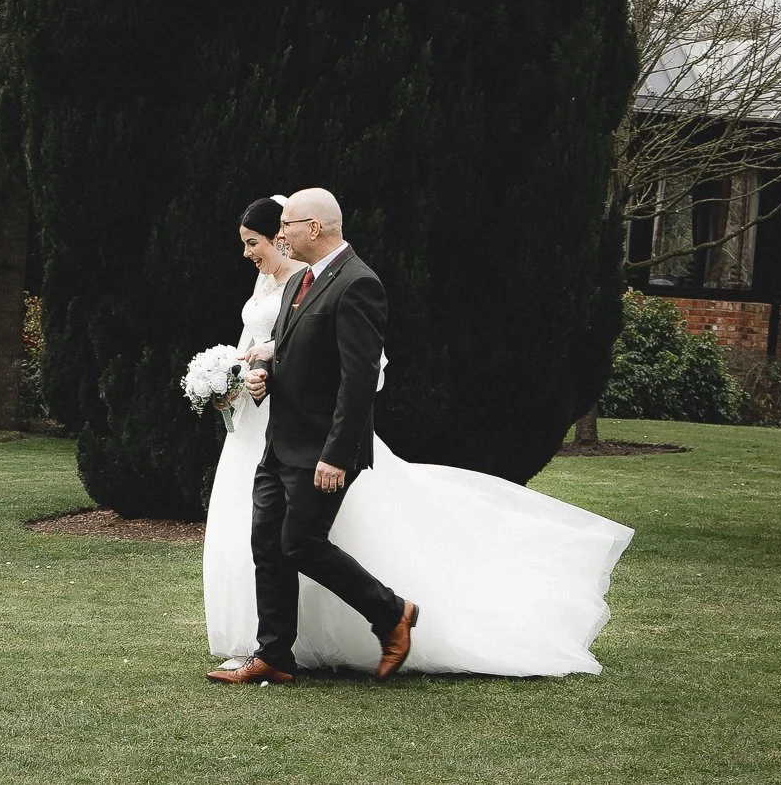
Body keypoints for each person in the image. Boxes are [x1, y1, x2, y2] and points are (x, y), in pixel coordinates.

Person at [202, 189, 634, 682]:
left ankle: (391, 613)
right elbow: (297, 356)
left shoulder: (358, 283)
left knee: (300, 544)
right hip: (278, 442)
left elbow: (358, 378)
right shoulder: (300, 280)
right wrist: (262, 380)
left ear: (315, 228)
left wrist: (337, 455)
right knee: (267, 546)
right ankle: (274, 656)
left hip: (322, 447)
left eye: (288, 226)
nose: (282, 235)